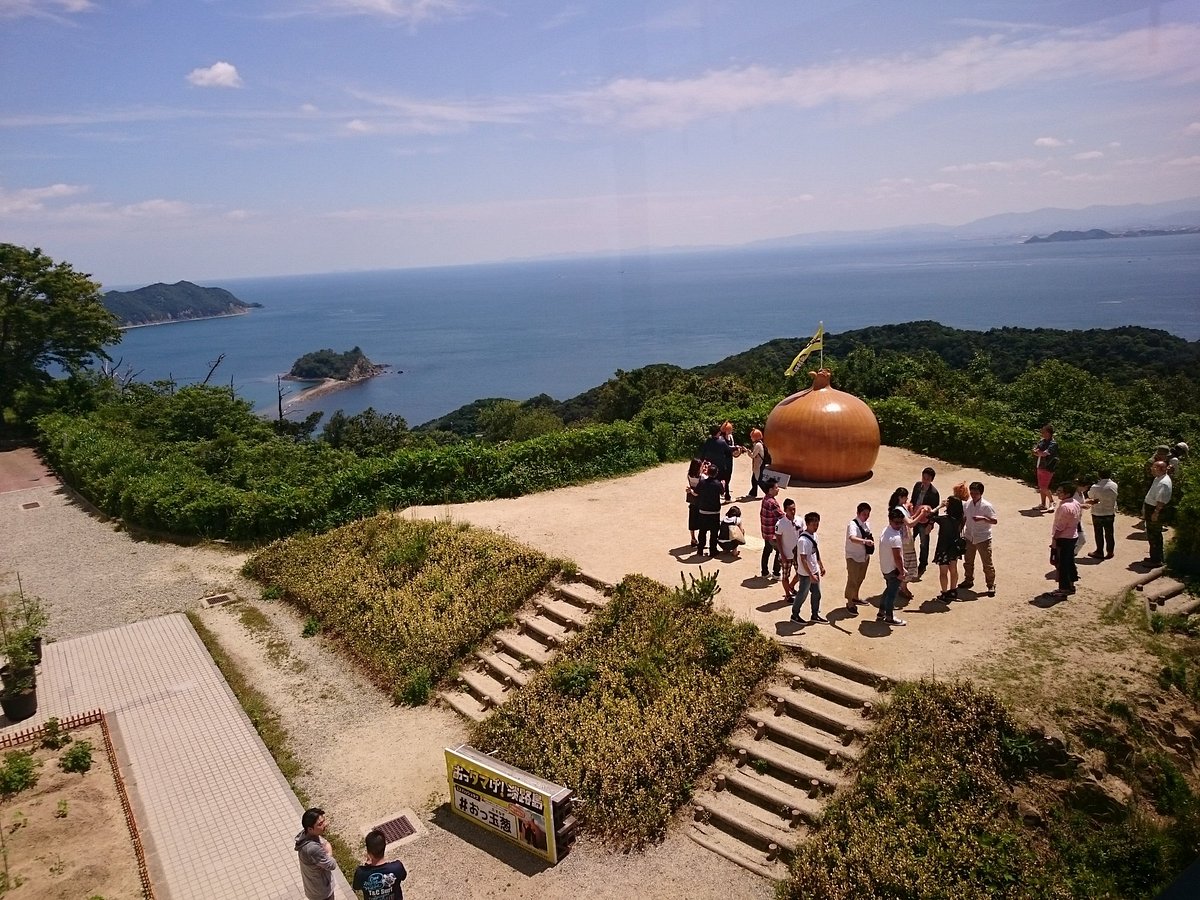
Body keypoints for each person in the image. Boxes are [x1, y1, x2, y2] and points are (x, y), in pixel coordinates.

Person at [887, 487, 927, 601]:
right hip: (902, 541)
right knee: (905, 564)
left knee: (908, 563)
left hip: (906, 539)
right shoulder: (898, 510)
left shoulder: (902, 508)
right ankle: (902, 587)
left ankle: (903, 586)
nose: (907, 499)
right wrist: (922, 513)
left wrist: (919, 512)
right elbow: (910, 523)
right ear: (901, 497)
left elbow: (910, 519)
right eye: (905, 497)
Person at [960, 481, 997, 597]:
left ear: (981, 493)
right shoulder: (967, 504)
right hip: (969, 536)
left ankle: (991, 584)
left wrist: (983, 518)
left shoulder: (987, 506)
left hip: (983, 538)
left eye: (976, 493)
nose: (973, 495)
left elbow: (994, 521)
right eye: (972, 492)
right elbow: (964, 518)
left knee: (987, 563)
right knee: (968, 561)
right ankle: (968, 580)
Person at [932, 483, 967, 601]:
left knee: (943, 572)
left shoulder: (944, 520)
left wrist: (939, 506)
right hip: (954, 548)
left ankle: (944, 593)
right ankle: (953, 591)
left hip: (942, 548)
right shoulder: (960, 519)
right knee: (953, 569)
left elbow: (929, 516)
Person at [791, 512, 827, 623]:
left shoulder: (814, 536)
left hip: (814, 570)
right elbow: (803, 559)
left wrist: (820, 565)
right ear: (807, 524)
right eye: (813, 524)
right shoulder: (803, 541)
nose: (816, 527)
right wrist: (810, 574)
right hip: (806, 574)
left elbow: (815, 551)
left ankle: (815, 615)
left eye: (817, 524)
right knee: (802, 594)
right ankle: (795, 614)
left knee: (817, 594)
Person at [352, 829, 407, 900]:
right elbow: (403, 876)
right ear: (384, 846)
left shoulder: (361, 872)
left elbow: (356, 887)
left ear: (368, 851)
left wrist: (367, 865)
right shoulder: (397, 867)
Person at [295, 807, 337, 900]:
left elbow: (323, 842)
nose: (325, 825)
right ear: (310, 829)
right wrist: (329, 853)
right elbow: (332, 865)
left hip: (313, 888)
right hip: (321, 893)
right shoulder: (312, 849)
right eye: (320, 824)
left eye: (324, 821)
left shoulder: (305, 835)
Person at [877, 507, 907, 627]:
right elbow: (898, 557)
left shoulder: (886, 530)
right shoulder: (895, 537)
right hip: (893, 570)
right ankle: (889, 617)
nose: (899, 525)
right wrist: (902, 571)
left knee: (888, 589)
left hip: (885, 567)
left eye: (901, 522)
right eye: (896, 522)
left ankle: (881, 612)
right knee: (892, 593)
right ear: (890, 520)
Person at [1051, 483, 1081, 598]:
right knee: (1070, 562)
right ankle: (1071, 585)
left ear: (1067, 493)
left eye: (1060, 491)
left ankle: (1063, 589)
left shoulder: (1065, 507)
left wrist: (1054, 539)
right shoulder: (1076, 503)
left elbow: (1060, 527)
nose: (1058, 493)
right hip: (1072, 536)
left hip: (1064, 538)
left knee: (1062, 564)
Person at [910, 467, 940, 579]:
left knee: (924, 544)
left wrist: (930, 524)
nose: (924, 480)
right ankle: (908, 562)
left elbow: (935, 511)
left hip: (924, 521)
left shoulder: (934, 493)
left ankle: (922, 564)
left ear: (931, 480)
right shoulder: (917, 486)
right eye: (923, 477)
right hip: (914, 518)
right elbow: (913, 500)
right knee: (909, 540)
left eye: (927, 478)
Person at [1142, 459, 1173, 567]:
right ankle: (1155, 557)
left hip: (1155, 509)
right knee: (1152, 534)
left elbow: (1161, 501)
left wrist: (1156, 513)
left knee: (1154, 535)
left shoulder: (1164, 483)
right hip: (1151, 507)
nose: (1151, 469)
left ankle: (1156, 561)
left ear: (1160, 469)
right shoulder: (1158, 478)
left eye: (1154, 467)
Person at [844, 502, 874, 612]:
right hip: (853, 557)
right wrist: (865, 542)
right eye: (864, 514)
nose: (866, 516)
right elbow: (852, 538)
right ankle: (850, 602)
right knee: (852, 580)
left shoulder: (867, 524)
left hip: (864, 557)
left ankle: (855, 597)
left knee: (860, 578)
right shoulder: (852, 525)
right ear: (858, 513)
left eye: (868, 514)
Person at [1086, 468, 1118, 560]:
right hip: (1110, 512)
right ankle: (1110, 551)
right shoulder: (1114, 485)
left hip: (1098, 512)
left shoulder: (1095, 487)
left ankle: (1099, 551)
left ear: (1099, 475)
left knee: (1098, 533)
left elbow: (1091, 497)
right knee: (1110, 533)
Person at [694, 462, 724, 557]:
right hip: (714, 511)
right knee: (714, 532)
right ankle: (713, 550)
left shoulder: (702, 482)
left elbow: (696, 492)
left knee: (702, 531)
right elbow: (722, 493)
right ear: (716, 473)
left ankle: (700, 549)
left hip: (703, 510)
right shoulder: (718, 484)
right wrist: (723, 484)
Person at [778, 498, 801, 605]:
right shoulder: (781, 523)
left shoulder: (800, 520)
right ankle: (787, 594)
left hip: (797, 554)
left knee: (800, 574)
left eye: (794, 509)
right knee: (785, 576)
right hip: (786, 555)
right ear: (785, 510)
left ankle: (791, 586)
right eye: (790, 509)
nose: (793, 511)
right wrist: (782, 554)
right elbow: (778, 540)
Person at [759, 478, 783, 579]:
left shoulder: (765, 499)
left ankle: (764, 572)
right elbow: (781, 516)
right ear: (770, 489)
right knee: (780, 551)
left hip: (765, 531)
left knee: (767, 550)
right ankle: (776, 573)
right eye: (776, 488)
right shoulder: (773, 503)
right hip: (773, 533)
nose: (778, 489)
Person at [1032, 425, 1059, 511]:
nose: (1042, 433)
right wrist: (1038, 452)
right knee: (1041, 486)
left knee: (1044, 487)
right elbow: (1035, 450)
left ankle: (1052, 501)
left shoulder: (1053, 444)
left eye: (1043, 432)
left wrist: (1039, 452)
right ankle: (1043, 504)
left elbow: (1044, 453)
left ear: (1048, 433)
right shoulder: (1042, 441)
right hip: (1040, 465)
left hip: (1048, 467)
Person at [720, 421, 741, 502]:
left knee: (728, 476)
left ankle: (725, 492)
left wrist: (736, 450)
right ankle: (726, 495)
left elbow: (731, 447)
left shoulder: (731, 437)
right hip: (723, 459)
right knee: (723, 476)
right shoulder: (721, 438)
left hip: (729, 459)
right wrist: (735, 448)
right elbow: (726, 448)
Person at [685, 458, 703, 547]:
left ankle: (693, 538)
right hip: (700, 498)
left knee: (692, 518)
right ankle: (701, 539)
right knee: (701, 519)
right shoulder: (701, 476)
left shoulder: (689, 475)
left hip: (692, 498)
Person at [746, 428, 766, 498]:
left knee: (759, 480)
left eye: (752, 436)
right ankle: (753, 493)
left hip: (759, 465)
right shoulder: (759, 443)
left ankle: (768, 492)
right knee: (754, 479)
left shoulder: (758, 445)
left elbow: (753, 455)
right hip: (758, 465)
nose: (751, 438)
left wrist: (748, 452)